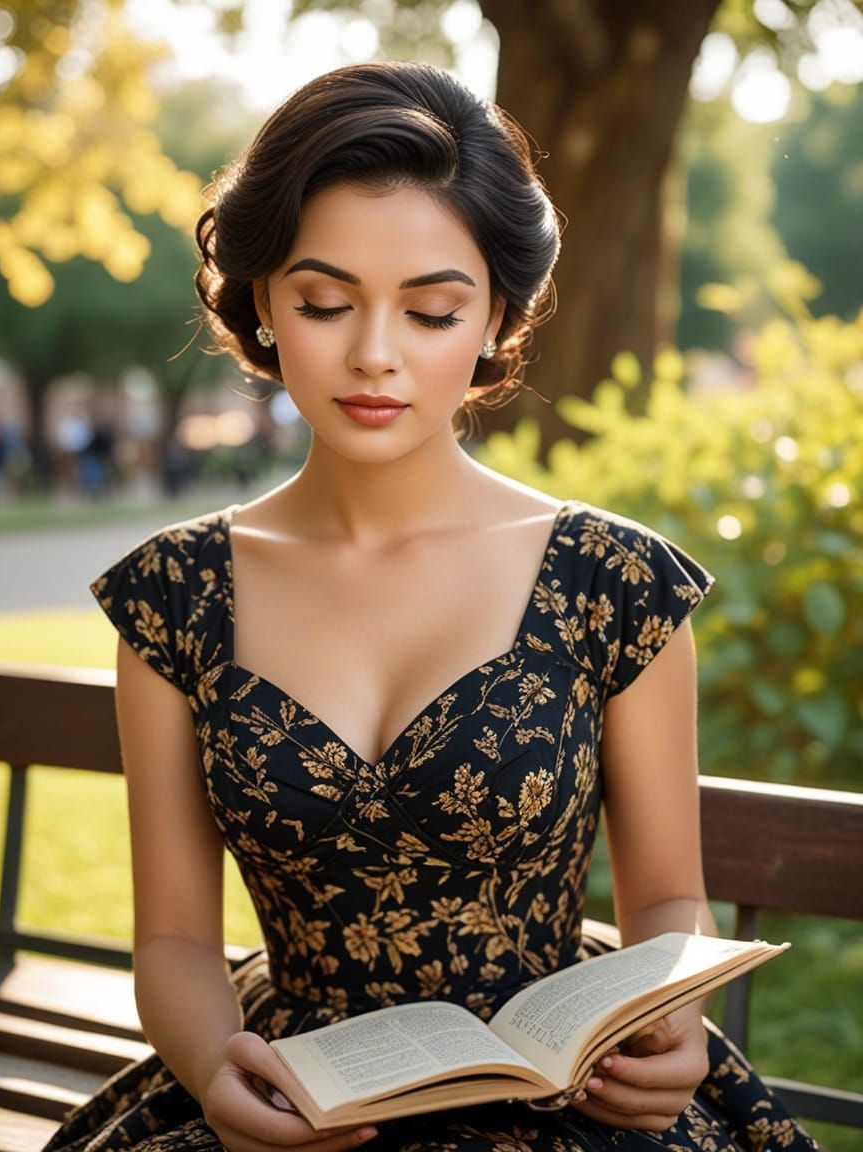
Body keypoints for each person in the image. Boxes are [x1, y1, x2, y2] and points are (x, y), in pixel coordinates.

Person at [44, 61, 818, 1152]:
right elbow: (173, 938)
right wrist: (218, 1070)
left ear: (494, 314)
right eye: (324, 304)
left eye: (431, 310)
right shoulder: (177, 596)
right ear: (262, 301)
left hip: (564, 1095)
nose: (374, 355)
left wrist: (672, 1023)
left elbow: (664, 904)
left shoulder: (610, 582)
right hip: (291, 1090)